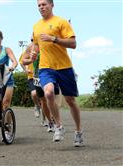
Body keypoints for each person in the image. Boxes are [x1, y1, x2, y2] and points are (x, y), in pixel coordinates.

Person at [32, 0, 83, 146]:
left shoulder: (61, 22)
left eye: (44, 4)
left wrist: (53, 39)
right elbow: (36, 44)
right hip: (46, 67)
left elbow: (73, 44)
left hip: (64, 67)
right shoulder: (36, 26)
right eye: (39, 5)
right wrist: (34, 54)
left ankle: (78, 131)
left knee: (70, 101)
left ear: (51, 5)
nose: (41, 7)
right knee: (48, 93)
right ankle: (59, 127)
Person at [21, 38, 55, 132]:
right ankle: (49, 121)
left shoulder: (49, 44)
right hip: (35, 76)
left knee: (50, 98)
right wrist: (27, 67)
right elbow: (23, 61)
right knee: (41, 98)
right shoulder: (30, 47)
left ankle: (52, 120)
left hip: (49, 74)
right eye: (32, 38)